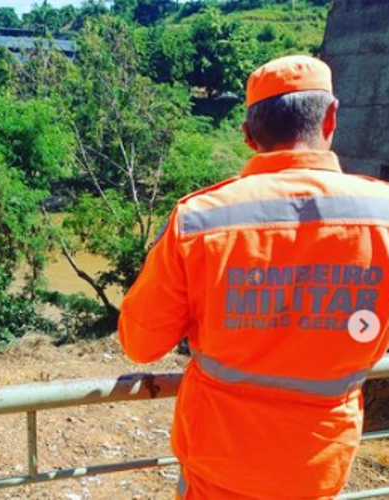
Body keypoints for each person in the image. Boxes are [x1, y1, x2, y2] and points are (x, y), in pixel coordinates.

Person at [118, 55, 389, 500]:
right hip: (318, 466)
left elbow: (140, 344)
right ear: (332, 117)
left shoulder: (201, 220)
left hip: (219, 466)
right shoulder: (382, 214)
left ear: (247, 135)